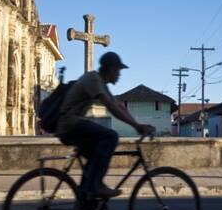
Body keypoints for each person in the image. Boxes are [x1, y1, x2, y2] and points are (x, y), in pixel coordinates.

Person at [55, 52, 155, 199]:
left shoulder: (101, 83)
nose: (119, 75)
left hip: (71, 125)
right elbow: (110, 106)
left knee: (97, 156)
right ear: (111, 69)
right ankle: (96, 186)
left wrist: (137, 124)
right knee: (111, 136)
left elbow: (118, 106)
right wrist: (136, 126)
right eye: (118, 71)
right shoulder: (93, 79)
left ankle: (85, 199)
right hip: (69, 125)